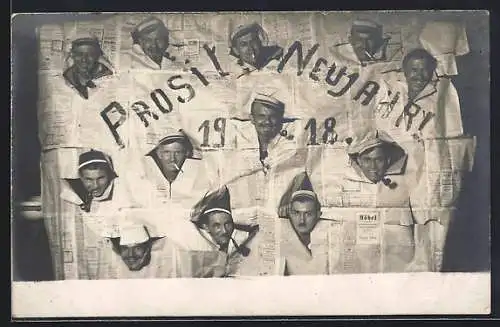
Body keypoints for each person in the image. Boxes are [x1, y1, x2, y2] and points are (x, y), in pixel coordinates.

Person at [335, 129, 430, 272]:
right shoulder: (343, 186)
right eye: (367, 160)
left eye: (378, 160)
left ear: (388, 160)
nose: (373, 167)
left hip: (399, 267)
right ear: (358, 161)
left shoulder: (406, 184)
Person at [149, 185, 261, 277]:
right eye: (217, 225)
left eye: (227, 224)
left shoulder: (239, 238)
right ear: (205, 227)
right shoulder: (192, 238)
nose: (224, 230)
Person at [375, 48, 463, 142]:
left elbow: (453, 133)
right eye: (414, 70)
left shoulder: (443, 91)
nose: (419, 76)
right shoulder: (389, 86)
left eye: (424, 70)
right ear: (404, 71)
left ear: (431, 72)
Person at [138, 128, 221, 208]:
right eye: (167, 152)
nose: (172, 158)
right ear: (159, 154)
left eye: (178, 153)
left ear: (186, 154)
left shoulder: (200, 180)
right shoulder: (146, 179)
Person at [277, 171, 331, 275]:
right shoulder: (283, 235)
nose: (302, 220)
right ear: (289, 213)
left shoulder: (325, 237)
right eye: (296, 213)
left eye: (308, 214)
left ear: (318, 214)